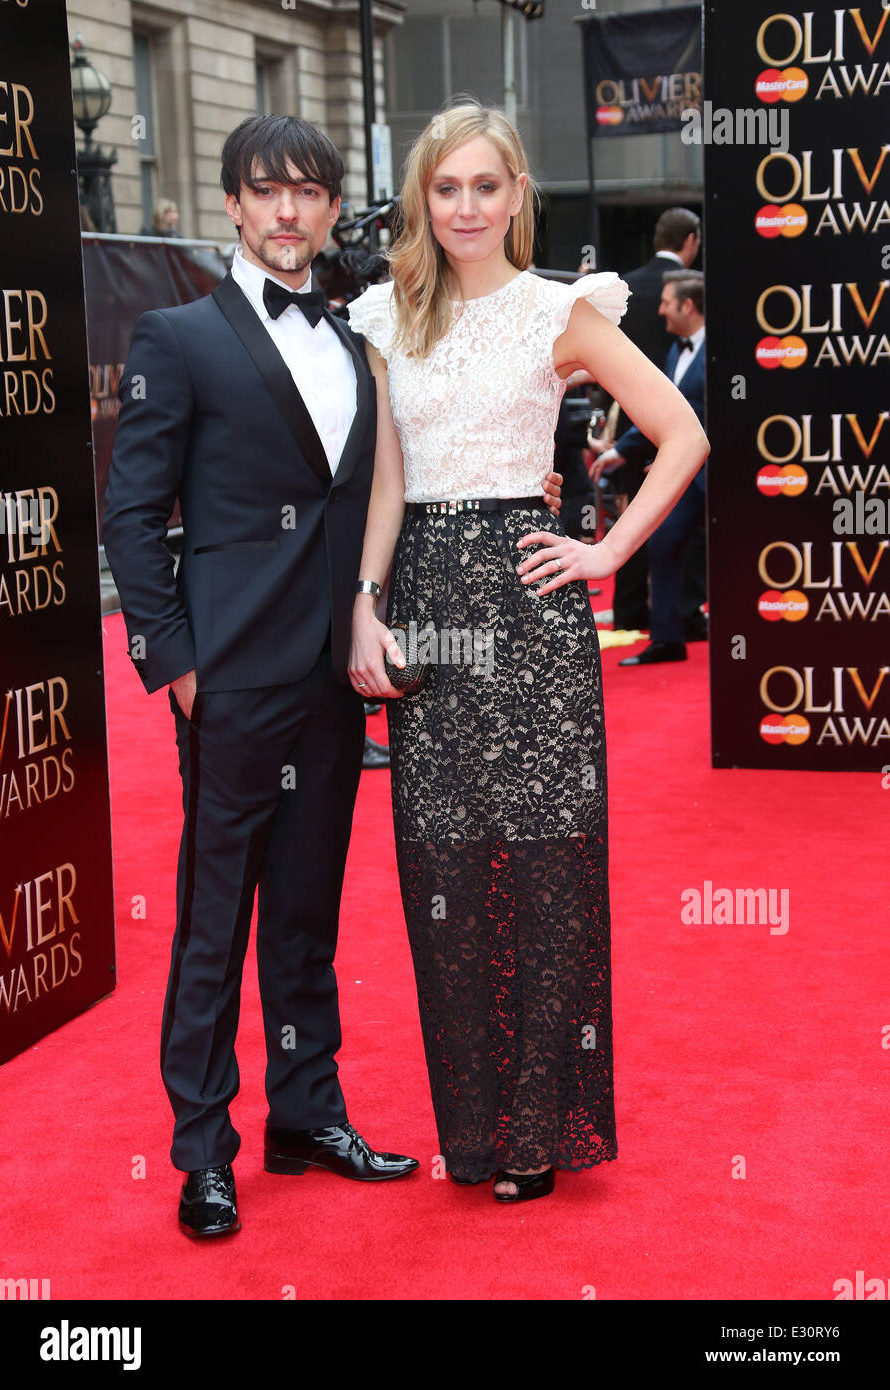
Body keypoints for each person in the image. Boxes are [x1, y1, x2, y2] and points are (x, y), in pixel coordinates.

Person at [102, 114, 562, 1238]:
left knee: (306, 914)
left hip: (334, 679)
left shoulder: (361, 333)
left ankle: (306, 1112)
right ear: (234, 206)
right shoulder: (179, 337)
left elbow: (394, 485)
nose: (291, 212)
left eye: (309, 191)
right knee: (215, 921)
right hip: (234, 677)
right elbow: (128, 513)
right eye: (268, 192)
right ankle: (202, 1151)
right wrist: (179, 666)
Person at [346, 102, 709, 1203]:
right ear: (424, 197)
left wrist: (606, 557)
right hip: (426, 601)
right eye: (445, 188)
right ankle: (473, 1125)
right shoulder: (385, 313)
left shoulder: (567, 309)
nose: (465, 207)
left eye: (485, 187)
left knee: (549, 864)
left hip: (530, 597)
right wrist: (366, 600)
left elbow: (684, 431)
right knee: (443, 862)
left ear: (517, 197)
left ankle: (540, 1126)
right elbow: (389, 483)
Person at [589, 271, 707, 665]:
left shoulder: (718, 352)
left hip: (720, 476)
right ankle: (668, 638)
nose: (660, 309)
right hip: (689, 478)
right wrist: (623, 449)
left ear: (687, 306)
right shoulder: (676, 352)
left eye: (667, 302)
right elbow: (664, 416)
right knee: (663, 542)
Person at [606, 208, 701, 631]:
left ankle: (635, 612)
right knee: (667, 529)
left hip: (634, 422)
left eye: (669, 306)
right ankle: (683, 612)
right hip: (659, 432)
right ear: (691, 240)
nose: (663, 312)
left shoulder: (623, 287)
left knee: (638, 517)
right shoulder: (690, 292)